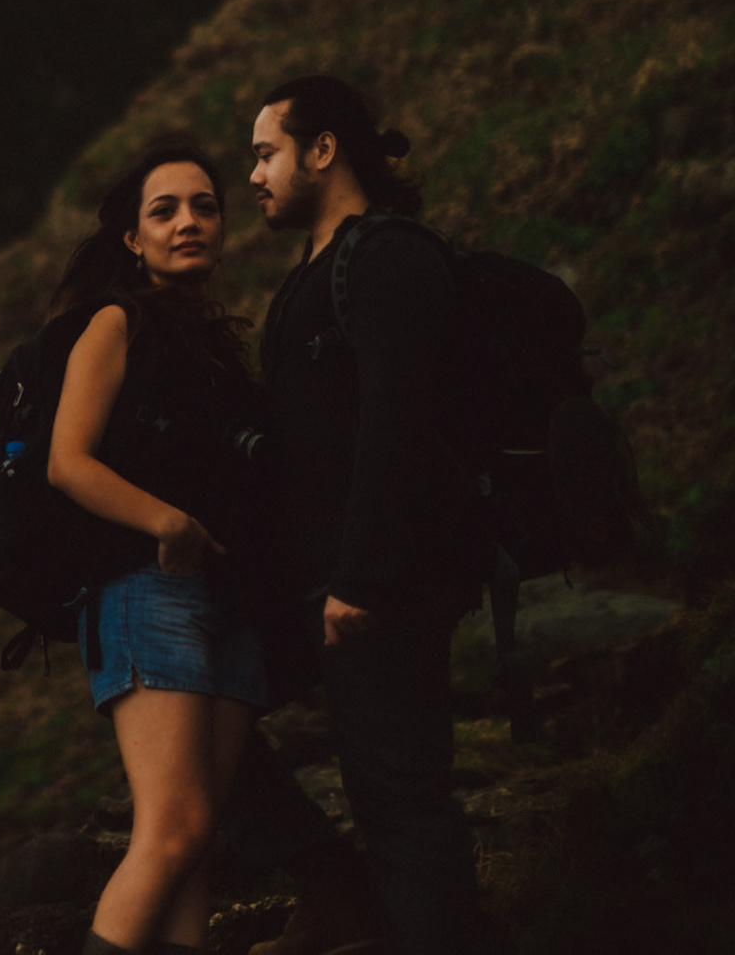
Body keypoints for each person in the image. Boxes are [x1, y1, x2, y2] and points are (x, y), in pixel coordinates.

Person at [246, 75, 488, 955]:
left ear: (322, 150)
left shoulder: (386, 256)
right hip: (324, 583)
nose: (254, 177)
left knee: (402, 799)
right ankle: (340, 894)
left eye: (266, 153)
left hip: (379, 586)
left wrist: (362, 578)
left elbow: (400, 426)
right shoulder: (314, 270)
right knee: (213, 723)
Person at [44, 142, 276, 955]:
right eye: (165, 210)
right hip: (147, 590)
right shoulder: (117, 322)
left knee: (197, 840)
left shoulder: (214, 342)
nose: (189, 222)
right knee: (173, 830)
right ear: (132, 240)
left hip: (229, 601)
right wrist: (168, 523)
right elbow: (67, 460)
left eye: (205, 206)